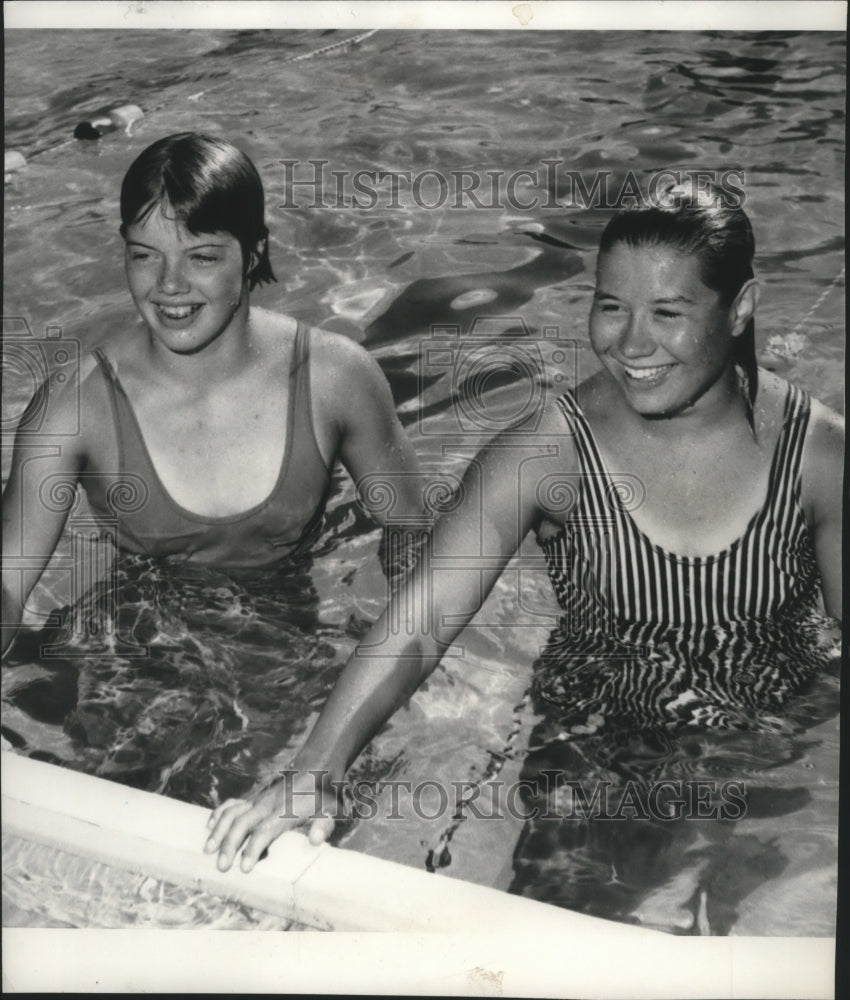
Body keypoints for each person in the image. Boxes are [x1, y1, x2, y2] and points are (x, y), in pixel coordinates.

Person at [206, 182, 843, 908]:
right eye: (611, 306)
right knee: (564, 926)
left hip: (770, 738)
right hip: (601, 736)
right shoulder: (549, 451)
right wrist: (314, 771)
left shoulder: (818, 455)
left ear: (739, 307)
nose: (631, 344)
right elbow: (421, 622)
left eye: (668, 312)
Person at [1, 132, 423, 657]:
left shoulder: (334, 378)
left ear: (253, 253)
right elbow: (7, 588)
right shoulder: (74, 406)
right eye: (144, 255)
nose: (168, 284)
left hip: (288, 653)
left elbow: (414, 539)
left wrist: (401, 665)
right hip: (134, 666)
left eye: (201, 257)